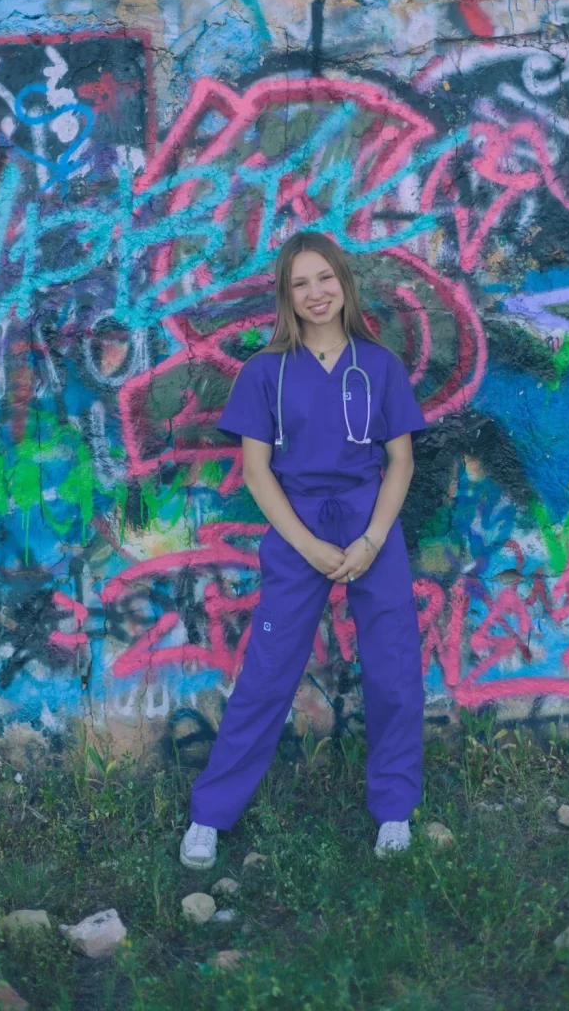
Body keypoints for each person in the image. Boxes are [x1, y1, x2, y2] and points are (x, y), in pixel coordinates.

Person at [181, 231, 427, 869]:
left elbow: (400, 461)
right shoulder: (267, 373)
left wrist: (372, 537)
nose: (315, 293)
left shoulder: (379, 366)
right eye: (300, 283)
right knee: (266, 673)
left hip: (373, 520)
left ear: (344, 283)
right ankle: (211, 814)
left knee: (394, 669)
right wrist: (311, 546)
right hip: (298, 527)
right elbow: (258, 472)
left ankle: (394, 809)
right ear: (286, 297)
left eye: (325, 279)